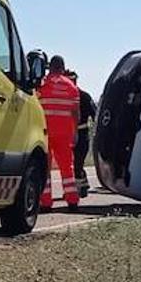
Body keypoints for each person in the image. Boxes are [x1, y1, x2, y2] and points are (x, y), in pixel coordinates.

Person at [37, 55, 81, 212]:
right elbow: (76, 112)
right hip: (64, 133)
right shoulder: (71, 86)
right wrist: (75, 131)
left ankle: (45, 202)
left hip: (44, 132)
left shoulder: (42, 84)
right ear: (63, 67)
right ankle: (72, 200)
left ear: (50, 67)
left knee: (45, 167)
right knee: (67, 167)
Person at [66, 70, 97, 198]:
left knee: (78, 164)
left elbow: (95, 115)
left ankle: (81, 186)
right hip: (67, 134)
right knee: (70, 165)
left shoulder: (84, 96)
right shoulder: (64, 96)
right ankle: (80, 186)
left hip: (82, 133)